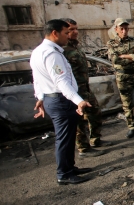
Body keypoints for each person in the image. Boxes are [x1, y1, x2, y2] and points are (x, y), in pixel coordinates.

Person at [30, 19, 93, 185]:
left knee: (68, 137)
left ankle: (70, 167)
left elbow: (37, 79)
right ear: (54, 33)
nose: (68, 36)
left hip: (53, 99)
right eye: (66, 33)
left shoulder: (38, 51)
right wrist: (79, 101)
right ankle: (64, 174)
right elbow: (61, 82)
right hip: (60, 100)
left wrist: (40, 98)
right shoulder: (52, 54)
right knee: (64, 139)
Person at [61, 18, 112, 157]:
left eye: (76, 28)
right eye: (71, 29)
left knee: (95, 113)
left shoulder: (76, 46)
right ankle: (83, 148)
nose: (75, 32)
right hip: (74, 91)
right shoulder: (62, 50)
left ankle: (96, 139)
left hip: (85, 88)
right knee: (79, 121)